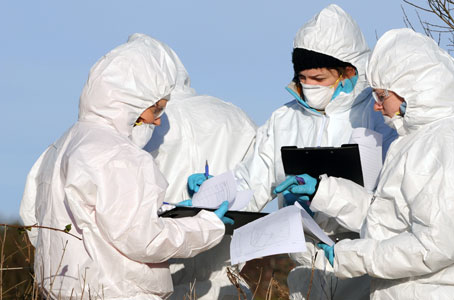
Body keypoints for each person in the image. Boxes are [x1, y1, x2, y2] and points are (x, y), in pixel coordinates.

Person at [294, 28, 454, 299]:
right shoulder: (418, 137)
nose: (376, 106)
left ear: (410, 89)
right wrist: (323, 191)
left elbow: (439, 244)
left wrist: (353, 256)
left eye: (381, 96)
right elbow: (388, 217)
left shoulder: (448, 142)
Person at [19, 33, 231, 299]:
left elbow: (36, 217)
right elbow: (143, 239)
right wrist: (206, 226)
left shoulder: (60, 147)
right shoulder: (119, 154)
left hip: (61, 288)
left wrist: (164, 212)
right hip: (116, 292)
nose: (156, 122)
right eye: (157, 110)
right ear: (133, 101)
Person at [220, 4, 397, 300]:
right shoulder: (284, 120)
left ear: (348, 73)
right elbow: (253, 180)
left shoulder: (377, 115)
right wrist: (215, 201)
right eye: (303, 77)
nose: (308, 86)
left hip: (363, 262)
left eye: (319, 79)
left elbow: (395, 193)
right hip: (306, 262)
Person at [142, 35, 256, 300]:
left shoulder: (133, 125)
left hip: (152, 284)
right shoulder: (233, 117)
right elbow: (258, 190)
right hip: (225, 287)